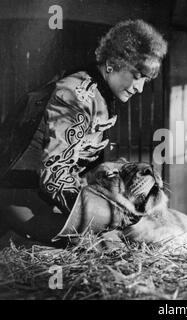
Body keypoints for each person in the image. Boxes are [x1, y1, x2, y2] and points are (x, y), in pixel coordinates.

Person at [0, 19, 168, 245]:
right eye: (137, 76)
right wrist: (111, 211)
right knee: (105, 245)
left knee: (125, 236)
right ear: (112, 63)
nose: (140, 88)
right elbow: (54, 177)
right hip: (20, 200)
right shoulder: (76, 94)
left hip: (42, 200)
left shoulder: (98, 95)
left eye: (145, 80)